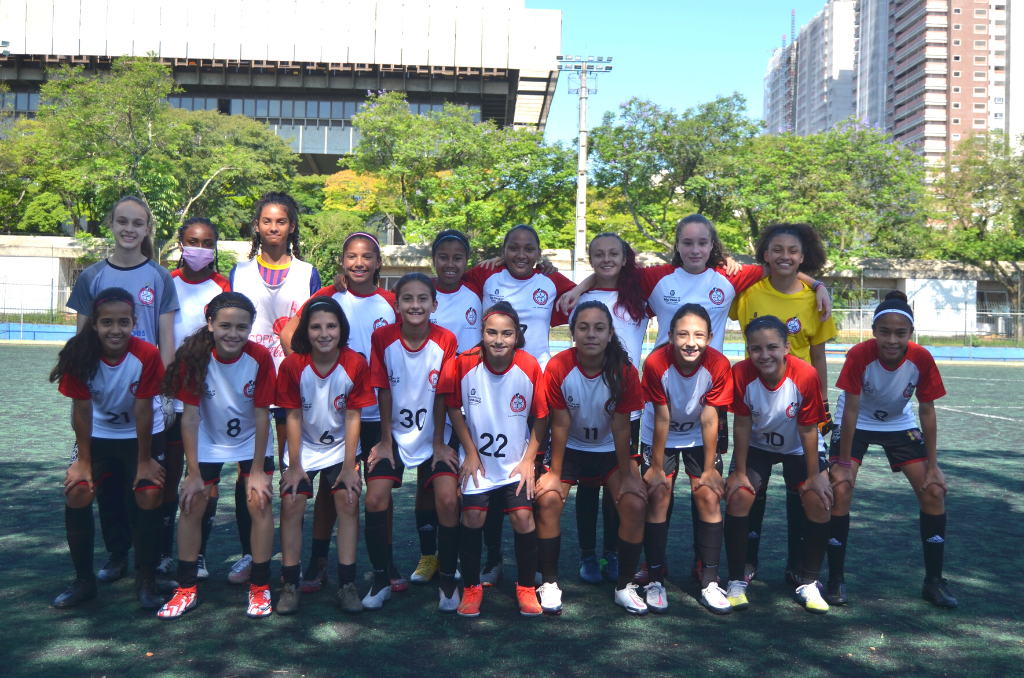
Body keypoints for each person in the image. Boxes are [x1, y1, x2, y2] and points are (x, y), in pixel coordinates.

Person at [560, 214, 831, 585]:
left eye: (702, 243)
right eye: (687, 243)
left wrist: (817, 284)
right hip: (661, 398)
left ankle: (705, 565)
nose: (695, 250)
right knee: (658, 487)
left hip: (710, 399)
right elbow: (612, 269)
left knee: (707, 487)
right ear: (677, 245)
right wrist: (580, 288)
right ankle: (655, 566)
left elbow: (780, 264)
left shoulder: (730, 277)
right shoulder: (657, 278)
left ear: (712, 245)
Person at [282, 231, 406, 591]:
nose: (359, 263)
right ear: (342, 262)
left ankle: (387, 562)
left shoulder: (391, 301)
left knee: (379, 489)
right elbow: (291, 334)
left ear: (379, 263)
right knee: (329, 487)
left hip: (380, 412)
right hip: (337, 413)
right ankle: (319, 560)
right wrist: (316, 371)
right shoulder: (328, 295)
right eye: (351, 256)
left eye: (367, 256)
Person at [66, 196, 179, 586]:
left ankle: (150, 561)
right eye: (121, 221)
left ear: (147, 230)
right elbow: (81, 340)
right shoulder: (91, 276)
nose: (129, 229)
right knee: (108, 488)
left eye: (137, 223)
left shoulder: (159, 277)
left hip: (145, 391)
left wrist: (166, 390)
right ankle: (117, 555)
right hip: (102, 394)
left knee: (147, 485)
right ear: (111, 225)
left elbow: (166, 337)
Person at [461, 224, 575, 586]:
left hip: (535, 388)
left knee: (530, 483)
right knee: (493, 485)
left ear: (539, 253)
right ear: (503, 250)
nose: (521, 255)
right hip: (494, 388)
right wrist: (483, 261)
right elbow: (452, 272)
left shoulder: (549, 283)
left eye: (529, 249)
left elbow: (586, 294)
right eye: (513, 248)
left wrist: (556, 272)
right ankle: (493, 560)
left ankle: (540, 569)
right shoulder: (487, 275)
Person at [827, 291, 956, 608]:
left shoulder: (921, 358)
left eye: (900, 333)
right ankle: (834, 580)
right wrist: (843, 462)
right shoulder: (859, 354)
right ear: (874, 332)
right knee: (840, 487)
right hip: (855, 421)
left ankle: (933, 582)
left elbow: (927, 410)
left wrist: (934, 466)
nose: (892, 339)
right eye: (884, 331)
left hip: (898, 422)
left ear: (911, 334)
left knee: (934, 491)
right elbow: (853, 410)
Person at [729, 223, 837, 586]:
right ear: (765, 254)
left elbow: (819, 357)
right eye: (777, 249)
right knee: (749, 491)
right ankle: (746, 564)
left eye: (793, 250)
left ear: (803, 256)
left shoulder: (813, 299)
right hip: (758, 402)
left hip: (800, 403)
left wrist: (821, 402)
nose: (785, 256)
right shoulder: (747, 294)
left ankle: (797, 567)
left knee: (804, 490)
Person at [157, 293, 277, 619]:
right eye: (225, 325)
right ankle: (185, 589)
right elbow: (191, 417)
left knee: (258, 499)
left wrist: (255, 471)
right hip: (209, 437)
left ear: (251, 328)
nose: (233, 333)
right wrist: (192, 472)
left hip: (252, 439)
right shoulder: (195, 358)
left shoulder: (261, 357)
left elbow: (264, 416)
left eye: (242, 327)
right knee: (193, 502)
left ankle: (260, 587)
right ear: (210, 324)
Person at [50, 288, 168, 610]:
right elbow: (82, 410)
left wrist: (144, 461)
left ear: (134, 322)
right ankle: (84, 582)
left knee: (148, 492)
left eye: (123, 322)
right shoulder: (79, 354)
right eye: (106, 322)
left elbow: (144, 410)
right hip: (98, 434)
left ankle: (146, 578)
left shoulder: (146, 354)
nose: (115, 330)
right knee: (77, 490)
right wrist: (83, 462)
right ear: (94, 324)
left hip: (141, 434)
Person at [227, 192, 320, 587]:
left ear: (291, 226)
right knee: (250, 473)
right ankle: (252, 554)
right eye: (266, 221)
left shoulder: (307, 272)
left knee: (291, 472)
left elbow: (314, 330)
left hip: (295, 384)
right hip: (248, 385)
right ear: (257, 226)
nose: (273, 227)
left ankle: (294, 559)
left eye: (280, 221)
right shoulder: (239, 272)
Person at [534, 301, 649, 615]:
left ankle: (624, 587)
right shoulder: (558, 367)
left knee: (634, 503)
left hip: (609, 449)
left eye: (599, 328)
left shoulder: (624, 371)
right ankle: (550, 582)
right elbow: (559, 422)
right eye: (583, 327)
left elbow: (622, 425)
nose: (591, 334)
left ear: (611, 333)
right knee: (547, 499)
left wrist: (627, 475)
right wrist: (555, 472)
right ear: (572, 333)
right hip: (569, 447)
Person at [438, 302, 549, 618]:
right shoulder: (464, 363)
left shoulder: (528, 366)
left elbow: (541, 417)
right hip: (480, 464)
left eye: (507, 333)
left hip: (515, 463)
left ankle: (526, 588)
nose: (499, 340)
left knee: (523, 519)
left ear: (517, 336)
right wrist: (470, 452)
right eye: (491, 333)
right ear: (482, 334)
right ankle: (471, 587)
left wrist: (530, 459)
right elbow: (453, 408)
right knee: (472, 518)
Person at [723, 316, 832, 614]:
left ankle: (808, 582)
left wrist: (814, 476)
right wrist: (740, 473)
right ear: (748, 349)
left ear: (786, 347)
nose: (764, 355)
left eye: (772, 347)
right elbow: (743, 426)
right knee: (738, 496)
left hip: (799, 446)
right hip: (758, 446)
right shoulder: (741, 373)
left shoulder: (806, 374)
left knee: (820, 500)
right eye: (756, 348)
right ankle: (736, 580)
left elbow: (809, 429)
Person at [364, 273, 459, 611]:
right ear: (397, 304)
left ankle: (447, 580)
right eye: (407, 299)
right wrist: (386, 440)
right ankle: (381, 577)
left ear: (434, 304)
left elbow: (443, 392)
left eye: (422, 299)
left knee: (447, 500)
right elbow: (384, 389)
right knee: (375, 498)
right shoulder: (382, 337)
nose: (415, 305)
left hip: (436, 433)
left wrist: (437, 440)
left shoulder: (446, 339)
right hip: (393, 433)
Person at [276, 297, 376, 614]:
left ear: (341, 329)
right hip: (303, 447)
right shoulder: (292, 365)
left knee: (347, 500)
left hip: (338, 449)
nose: (324, 333)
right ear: (305, 330)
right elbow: (291, 416)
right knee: (292, 501)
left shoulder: (355, 363)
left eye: (331, 326)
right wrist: (293, 466)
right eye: (316, 326)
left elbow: (353, 417)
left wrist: (350, 466)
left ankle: (346, 584)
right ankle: (290, 585)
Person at [559, 233, 649, 586]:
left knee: (621, 484)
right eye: (599, 254)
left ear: (625, 257)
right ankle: (587, 556)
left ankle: (612, 552)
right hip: (585, 402)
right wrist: (582, 287)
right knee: (587, 484)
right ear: (590, 258)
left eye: (614, 253)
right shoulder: (583, 297)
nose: (607, 259)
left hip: (627, 407)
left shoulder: (639, 294)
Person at [638, 303, 735, 614]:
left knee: (708, 495)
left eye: (698, 334)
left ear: (709, 337)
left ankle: (708, 581)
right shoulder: (655, 362)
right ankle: (654, 578)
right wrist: (654, 467)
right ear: (669, 336)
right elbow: (663, 417)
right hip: (660, 433)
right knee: (657, 494)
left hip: (699, 433)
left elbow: (710, 419)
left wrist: (709, 470)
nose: (690, 341)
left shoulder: (720, 364)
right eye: (682, 334)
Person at [159, 217, 231, 586]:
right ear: (180, 243)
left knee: (207, 480)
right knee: (171, 474)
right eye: (192, 241)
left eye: (206, 243)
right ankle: (163, 553)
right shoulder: (165, 282)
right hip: (172, 392)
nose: (199, 249)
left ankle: (198, 552)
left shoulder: (223, 285)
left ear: (215, 248)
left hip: (210, 397)